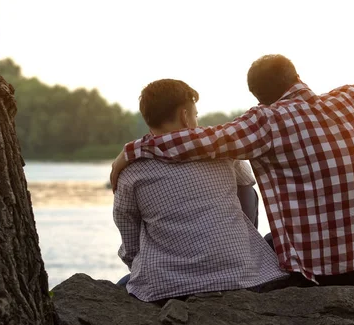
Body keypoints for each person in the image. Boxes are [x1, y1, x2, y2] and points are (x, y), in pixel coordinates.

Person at [110, 47, 354, 286]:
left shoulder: (264, 122)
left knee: (260, 244)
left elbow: (199, 141)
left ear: (259, 99)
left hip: (314, 272)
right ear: (297, 77)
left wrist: (133, 150)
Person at [113, 78, 287, 303]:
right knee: (247, 190)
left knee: (123, 285)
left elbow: (128, 233)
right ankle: (237, 248)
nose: (196, 121)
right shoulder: (216, 148)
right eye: (195, 115)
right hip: (240, 275)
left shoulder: (129, 171)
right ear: (185, 116)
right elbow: (246, 187)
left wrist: (138, 265)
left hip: (165, 285)